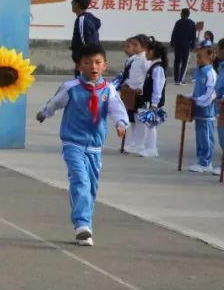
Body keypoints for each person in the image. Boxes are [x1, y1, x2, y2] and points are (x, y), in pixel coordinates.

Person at [36, 44, 129, 247]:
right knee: (80, 181)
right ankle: (82, 225)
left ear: (105, 65)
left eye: (97, 62)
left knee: (91, 187)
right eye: (87, 63)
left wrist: (121, 124)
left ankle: (85, 219)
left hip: (95, 147)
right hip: (73, 143)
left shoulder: (109, 90)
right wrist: (44, 112)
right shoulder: (71, 87)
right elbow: (55, 102)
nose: (93, 67)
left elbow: (117, 110)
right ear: (79, 66)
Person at [186, 47, 219, 174]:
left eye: (200, 56)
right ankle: (201, 161)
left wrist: (198, 101)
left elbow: (211, 93)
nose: (198, 59)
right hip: (198, 110)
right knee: (200, 136)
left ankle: (206, 162)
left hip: (207, 111)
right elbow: (196, 91)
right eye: (197, 56)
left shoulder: (210, 72)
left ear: (209, 57)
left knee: (206, 136)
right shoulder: (198, 72)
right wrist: (189, 97)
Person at [134, 39, 167, 159]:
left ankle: (152, 148)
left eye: (146, 51)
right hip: (148, 99)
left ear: (152, 51)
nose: (145, 53)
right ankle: (148, 146)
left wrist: (154, 103)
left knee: (151, 125)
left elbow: (158, 87)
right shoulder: (153, 66)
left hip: (153, 102)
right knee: (148, 124)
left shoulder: (158, 68)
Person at [119, 35, 149, 152]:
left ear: (144, 46)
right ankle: (134, 142)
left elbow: (147, 77)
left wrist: (141, 88)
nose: (134, 47)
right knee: (132, 119)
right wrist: (126, 84)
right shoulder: (135, 59)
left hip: (140, 93)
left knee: (140, 119)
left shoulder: (145, 59)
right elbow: (131, 76)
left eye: (136, 45)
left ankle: (140, 143)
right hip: (131, 92)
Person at [69, 0, 100, 73]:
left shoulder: (82, 20)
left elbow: (85, 42)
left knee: (83, 83)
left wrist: (82, 60)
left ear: (77, 4)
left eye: (73, 1)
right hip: (87, 59)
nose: (71, 3)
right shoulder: (88, 18)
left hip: (85, 60)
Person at [170, 8, 198, 84]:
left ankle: (178, 79)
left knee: (179, 62)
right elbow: (174, 33)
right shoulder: (183, 22)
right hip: (183, 46)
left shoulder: (187, 23)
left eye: (181, 13)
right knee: (180, 62)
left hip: (182, 45)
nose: (180, 14)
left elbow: (193, 35)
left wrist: (172, 43)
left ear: (185, 14)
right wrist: (192, 45)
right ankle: (179, 79)